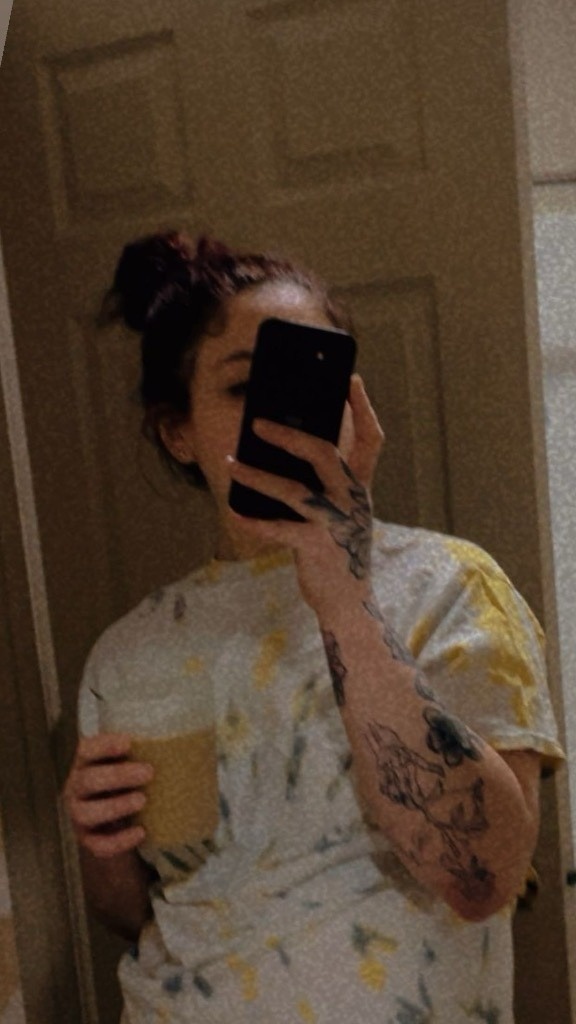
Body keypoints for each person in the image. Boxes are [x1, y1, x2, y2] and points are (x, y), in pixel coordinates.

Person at [64, 232, 564, 1024]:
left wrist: (344, 599)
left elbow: (481, 877)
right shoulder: (129, 652)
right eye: (243, 387)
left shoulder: (452, 588)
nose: (284, 418)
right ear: (177, 430)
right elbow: (135, 914)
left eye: (309, 381)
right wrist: (101, 846)